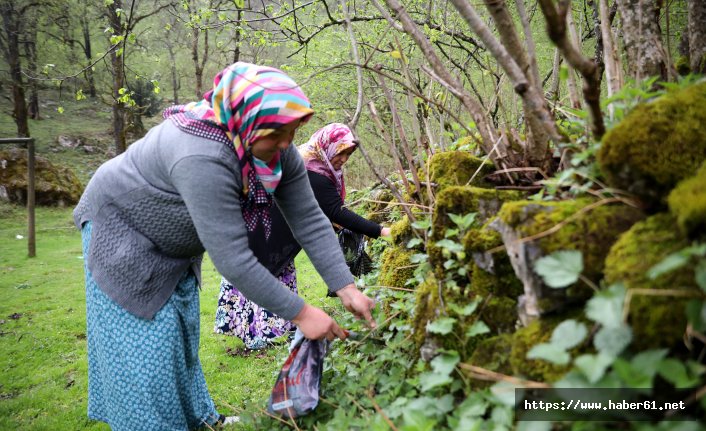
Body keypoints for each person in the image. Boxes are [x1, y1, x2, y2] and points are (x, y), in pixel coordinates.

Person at [74, 62, 376, 431]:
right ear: (250, 122)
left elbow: (310, 218)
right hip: (121, 229)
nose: (285, 145)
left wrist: (346, 287)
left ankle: (200, 420)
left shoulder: (272, 147)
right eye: (277, 135)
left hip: (173, 244)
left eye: (292, 133)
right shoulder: (203, 155)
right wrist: (302, 313)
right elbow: (233, 260)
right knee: (146, 350)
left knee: (179, 337)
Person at [214, 123, 391, 349]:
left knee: (274, 277)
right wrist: (381, 231)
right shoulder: (313, 172)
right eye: (341, 152)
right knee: (262, 276)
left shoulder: (315, 166)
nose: (344, 159)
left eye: (348, 154)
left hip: (276, 233)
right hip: (267, 234)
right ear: (327, 146)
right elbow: (336, 211)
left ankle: (268, 333)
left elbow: (324, 211)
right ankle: (262, 335)